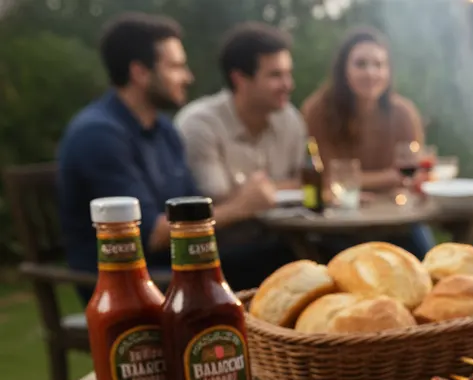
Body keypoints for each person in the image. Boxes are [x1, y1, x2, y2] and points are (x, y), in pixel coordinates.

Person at [57, 14, 279, 293]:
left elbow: (190, 210)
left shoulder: (164, 130)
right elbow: (150, 234)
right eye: (176, 67)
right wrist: (241, 207)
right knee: (279, 261)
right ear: (140, 72)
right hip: (129, 283)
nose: (188, 77)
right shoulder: (99, 135)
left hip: (175, 266)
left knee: (284, 252)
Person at [301, 26, 434, 256]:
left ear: (389, 71)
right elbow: (325, 177)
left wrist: (358, 182)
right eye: (361, 64)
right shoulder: (317, 111)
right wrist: (389, 177)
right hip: (338, 224)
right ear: (343, 70)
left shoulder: (403, 113)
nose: (370, 73)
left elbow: (416, 175)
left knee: (427, 261)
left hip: (396, 221)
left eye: (379, 65)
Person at [175, 22, 305, 201]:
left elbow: (306, 183)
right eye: (275, 75)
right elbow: (215, 199)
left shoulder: (290, 119)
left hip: (287, 228)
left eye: (288, 74)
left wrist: (252, 191)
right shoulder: (200, 124)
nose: (288, 85)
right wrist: (283, 187)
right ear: (239, 79)